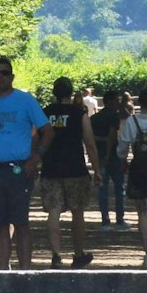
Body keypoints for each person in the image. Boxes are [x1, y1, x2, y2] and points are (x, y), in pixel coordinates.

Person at [0, 58, 49, 269]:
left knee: (21, 223)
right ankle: (3, 271)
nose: (1, 76)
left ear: (12, 76)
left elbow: (47, 131)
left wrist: (36, 158)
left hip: (20, 169)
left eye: (5, 73)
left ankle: (24, 272)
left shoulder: (25, 100)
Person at [37, 76, 99, 268]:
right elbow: (89, 142)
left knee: (53, 213)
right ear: (71, 92)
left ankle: (56, 255)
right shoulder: (79, 113)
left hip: (50, 168)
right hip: (75, 169)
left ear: (54, 92)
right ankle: (78, 253)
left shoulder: (44, 113)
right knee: (77, 213)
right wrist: (97, 169)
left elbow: (35, 138)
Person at [117, 89, 147, 267]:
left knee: (142, 213)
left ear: (139, 102)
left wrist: (122, 160)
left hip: (138, 169)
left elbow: (123, 147)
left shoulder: (131, 121)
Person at [91, 90, 127, 226]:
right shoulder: (114, 116)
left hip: (99, 156)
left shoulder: (94, 118)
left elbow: (89, 138)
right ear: (110, 101)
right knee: (119, 188)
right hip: (113, 156)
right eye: (116, 100)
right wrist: (108, 152)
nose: (118, 103)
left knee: (103, 189)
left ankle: (105, 220)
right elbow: (112, 136)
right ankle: (120, 219)